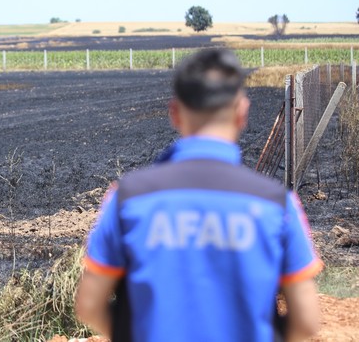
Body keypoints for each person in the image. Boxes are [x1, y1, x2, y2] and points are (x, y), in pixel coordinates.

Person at [75, 48, 323, 342]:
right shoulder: (277, 204)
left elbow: (89, 305)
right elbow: (307, 321)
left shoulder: (126, 199)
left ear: (175, 113)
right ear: (242, 112)